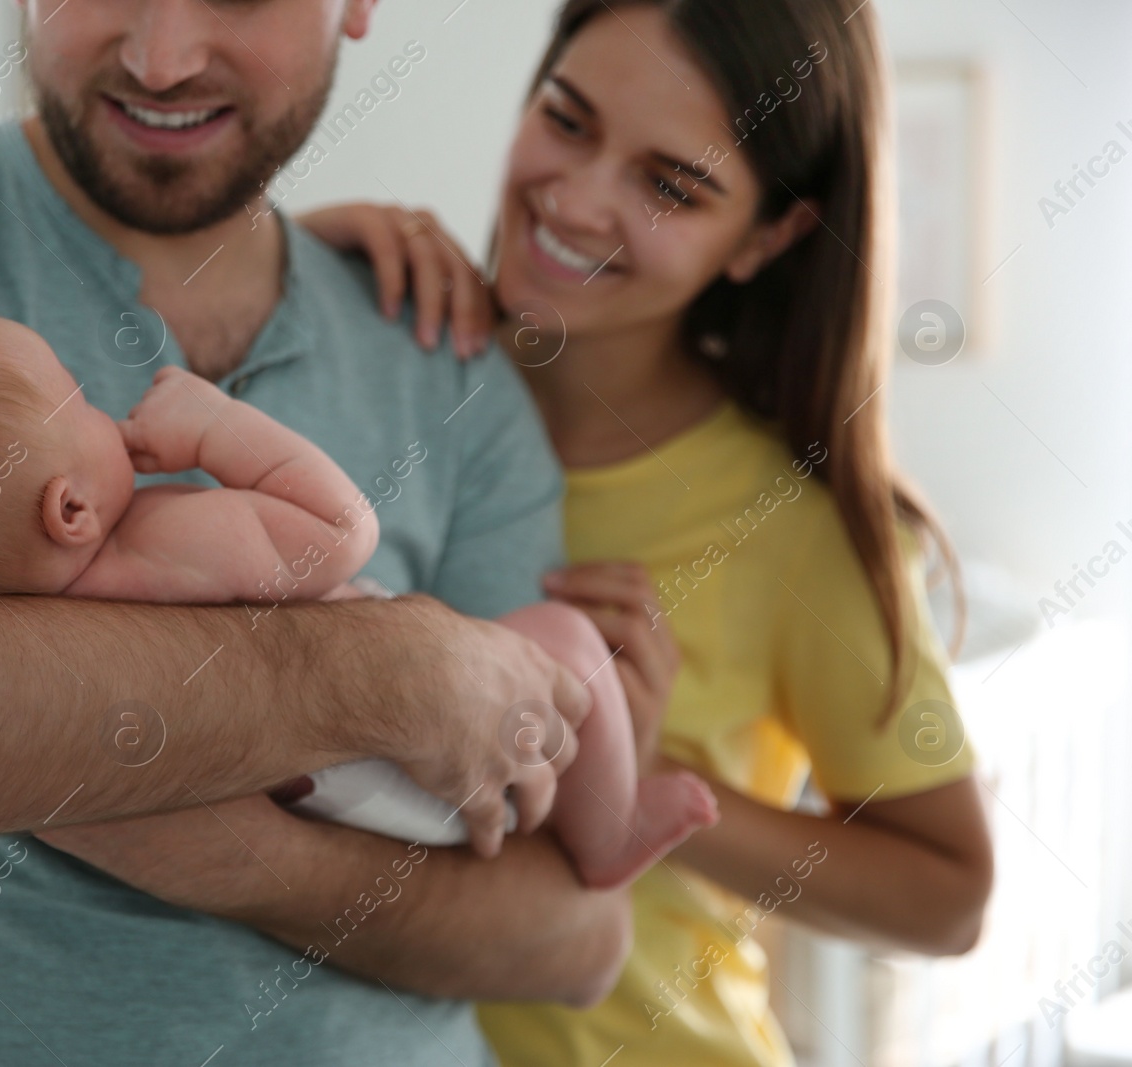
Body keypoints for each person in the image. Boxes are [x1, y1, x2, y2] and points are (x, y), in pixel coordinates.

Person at [0, 3, 637, 1064]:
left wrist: (162, 816)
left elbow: (572, 937)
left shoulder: (447, 356)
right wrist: (378, 674)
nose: (159, 61)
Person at [301, 0, 995, 1063]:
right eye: (567, 120)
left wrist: (651, 774)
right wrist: (285, 274)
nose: (574, 199)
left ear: (769, 235)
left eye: (670, 185)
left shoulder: (794, 528)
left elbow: (947, 899)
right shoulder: (386, 354)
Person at [0, 302, 716, 880]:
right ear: (70, 509)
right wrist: (215, 428)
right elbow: (341, 535)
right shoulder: (162, 536)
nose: (99, 400)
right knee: (565, 635)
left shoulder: (17, 616)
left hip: (343, 780)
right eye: (76, 397)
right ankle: (607, 835)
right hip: (401, 765)